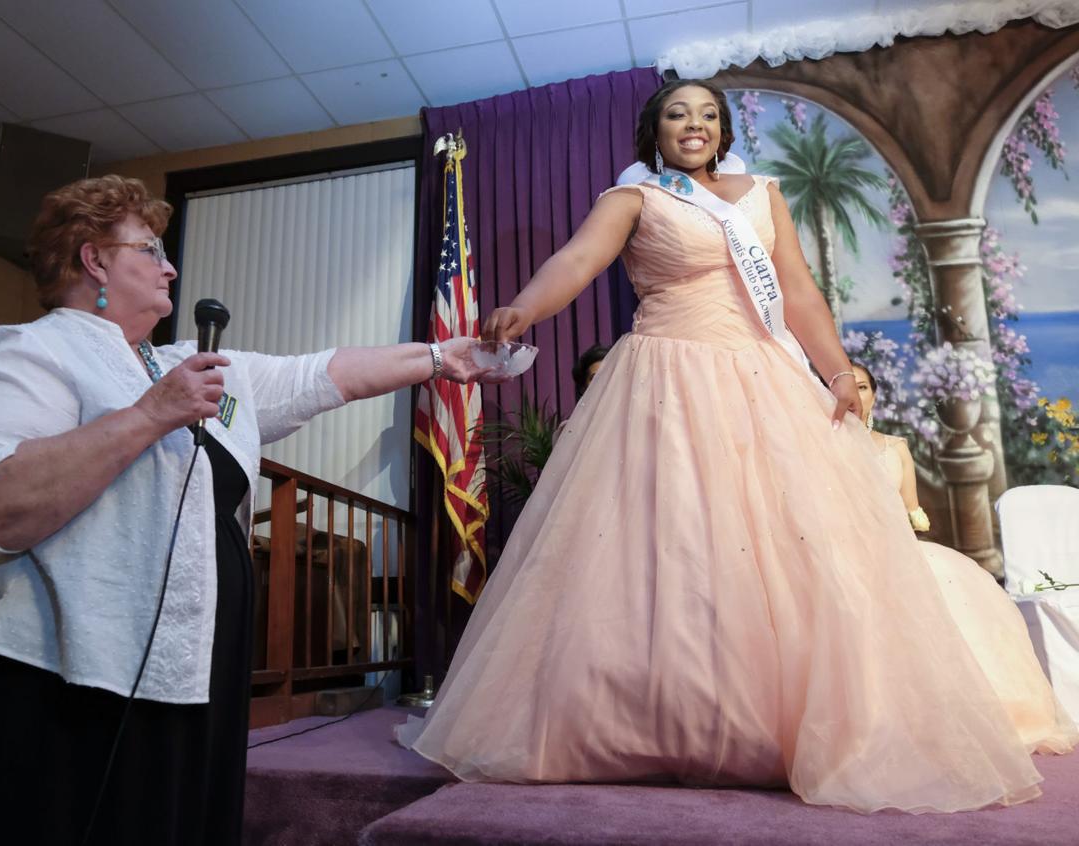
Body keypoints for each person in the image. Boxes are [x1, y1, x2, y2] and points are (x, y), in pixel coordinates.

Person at [397, 80, 1067, 813]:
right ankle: (667, 721)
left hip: (764, 381)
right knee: (672, 552)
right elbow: (577, 262)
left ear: (721, 132)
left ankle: (778, 726)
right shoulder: (635, 199)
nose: (695, 124)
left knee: (789, 553)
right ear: (655, 130)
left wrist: (837, 370)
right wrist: (525, 306)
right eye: (679, 113)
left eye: (708, 115)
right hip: (665, 380)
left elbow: (800, 294)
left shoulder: (761, 194)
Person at [0, 175, 497, 846]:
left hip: (183, 673)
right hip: (42, 680)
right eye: (151, 248)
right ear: (94, 259)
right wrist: (150, 416)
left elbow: (329, 373)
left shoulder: (199, 366)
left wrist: (443, 357)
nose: (171, 264)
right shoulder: (30, 350)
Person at [852, 362, 1076, 753]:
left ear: (874, 394)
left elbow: (911, 510)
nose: (856, 396)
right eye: (846, 386)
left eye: (863, 387)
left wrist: (901, 537)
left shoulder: (895, 448)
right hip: (844, 550)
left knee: (952, 592)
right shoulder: (817, 449)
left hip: (895, 549)